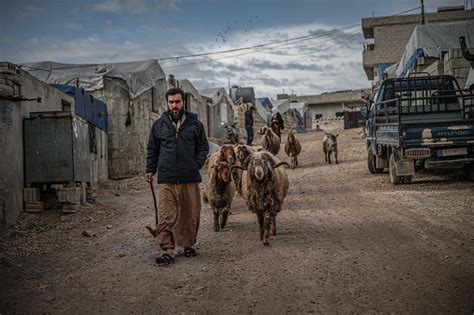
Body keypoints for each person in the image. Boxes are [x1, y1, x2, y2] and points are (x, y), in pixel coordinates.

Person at [145, 87, 209, 266]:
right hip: (167, 177)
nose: (174, 105)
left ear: (183, 103)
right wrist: (150, 169)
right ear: (167, 103)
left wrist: (196, 164)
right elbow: (152, 149)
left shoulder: (195, 124)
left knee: (190, 213)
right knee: (167, 214)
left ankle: (187, 244)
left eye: (177, 102)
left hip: (189, 177)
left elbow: (203, 147)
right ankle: (168, 249)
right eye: (171, 102)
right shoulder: (159, 125)